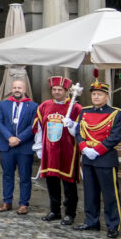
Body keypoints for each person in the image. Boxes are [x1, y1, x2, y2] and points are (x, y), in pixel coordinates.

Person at [74, 80, 121, 238]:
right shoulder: (84, 111)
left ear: (107, 96)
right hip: (88, 158)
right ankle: (91, 221)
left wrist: (96, 150)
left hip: (105, 158)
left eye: (100, 94)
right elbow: (78, 132)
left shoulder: (116, 113)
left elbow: (116, 136)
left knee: (110, 194)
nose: (96, 97)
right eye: (94, 94)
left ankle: (113, 225)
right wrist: (83, 148)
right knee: (90, 192)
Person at [35, 76, 83, 226]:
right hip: (50, 150)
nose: (56, 92)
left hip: (68, 151)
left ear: (67, 91)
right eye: (54, 90)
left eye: (60, 90)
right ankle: (54, 210)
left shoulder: (76, 108)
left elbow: (83, 130)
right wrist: (38, 147)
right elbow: (39, 128)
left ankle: (70, 213)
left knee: (69, 184)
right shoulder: (44, 106)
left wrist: (73, 125)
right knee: (52, 182)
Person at [0, 78, 38, 215]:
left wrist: (19, 139)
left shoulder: (33, 106)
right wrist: (10, 137)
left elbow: (33, 126)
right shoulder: (3, 104)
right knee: (7, 175)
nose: (17, 90)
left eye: (19, 88)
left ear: (24, 90)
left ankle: (24, 204)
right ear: (11, 89)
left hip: (24, 146)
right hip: (6, 145)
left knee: (25, 176)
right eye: (14, 88)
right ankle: (7, 201)